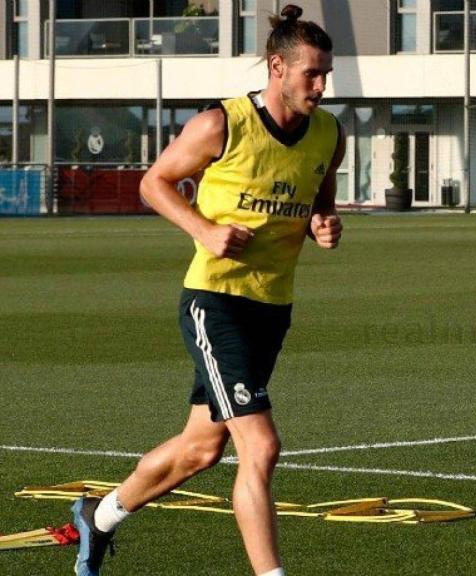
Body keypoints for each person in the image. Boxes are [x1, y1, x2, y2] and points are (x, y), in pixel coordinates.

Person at [70, 6, 343, 576]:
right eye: (310, 74)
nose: (321, 86)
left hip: (273, 307)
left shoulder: (329, 133)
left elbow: (320, 193)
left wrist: (324, 221)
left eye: (326, 74)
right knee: (261, 447)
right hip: (214, 302)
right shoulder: (223, 123)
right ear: (277, 66)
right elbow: (153, 183)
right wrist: (204, 229)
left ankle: (96, 520)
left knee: (201, 449)